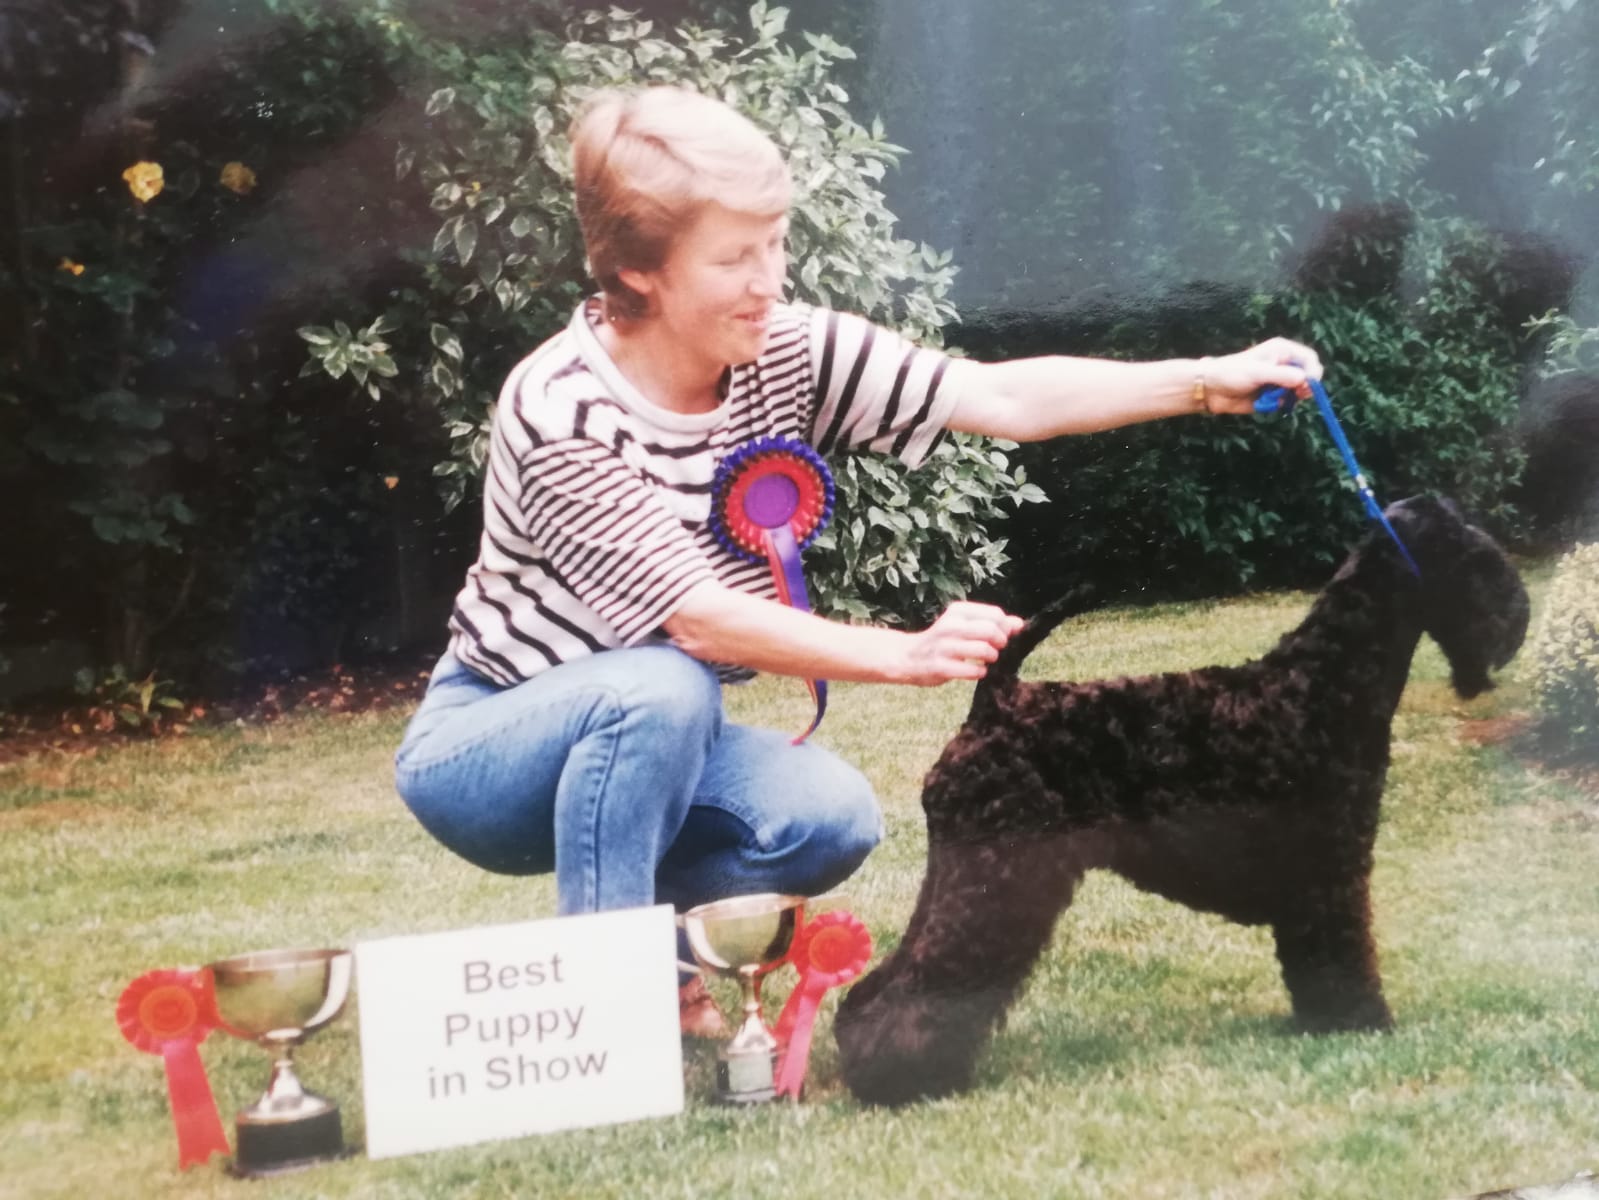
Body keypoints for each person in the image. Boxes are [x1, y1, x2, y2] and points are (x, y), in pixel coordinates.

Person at [392, 85, 1324, 1036]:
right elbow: (697, 619)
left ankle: (665, 946)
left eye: (774, 244)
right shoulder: (560, 408)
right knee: (662, 686)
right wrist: (904, 653)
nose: (768, 280)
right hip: (489, 747)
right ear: (639, 272)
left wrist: (1204, 382)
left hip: (661, 737)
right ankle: (609, 1010)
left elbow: (999, 399)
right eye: (733, 258)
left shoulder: (784, 349)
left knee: (826, 818)